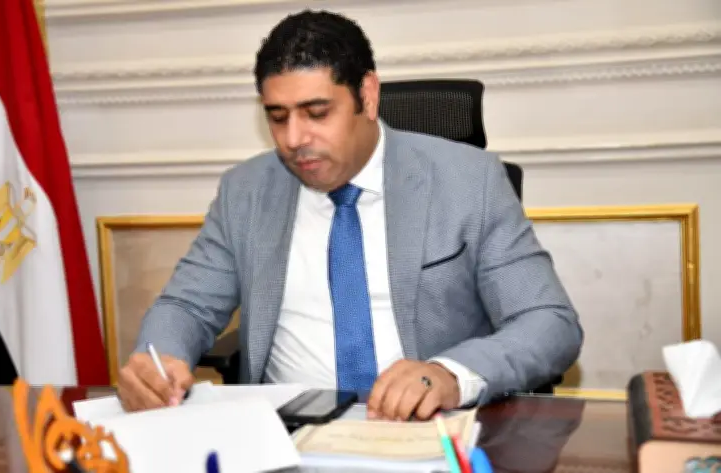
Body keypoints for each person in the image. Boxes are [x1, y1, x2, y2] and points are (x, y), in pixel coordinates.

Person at [117, 9, 583, 421]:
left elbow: (548, 322)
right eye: (277, 117)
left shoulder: (467, 181)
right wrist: (159, 361)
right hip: (287, 434)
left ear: (368, 95)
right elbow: (187, 305)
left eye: (317, 112)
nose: (293, 139)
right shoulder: (246, 192)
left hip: (427, 433)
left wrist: (448, 374)